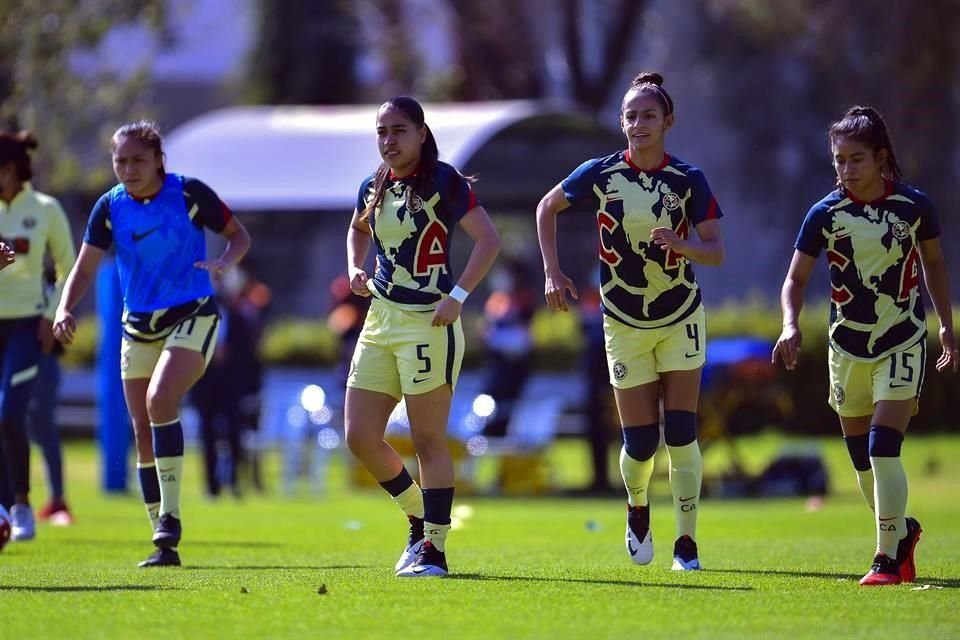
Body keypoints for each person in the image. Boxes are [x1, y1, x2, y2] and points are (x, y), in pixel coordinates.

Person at [536, 72, 725, 571]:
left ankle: (687, 543)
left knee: (681, 433)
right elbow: (546, 207)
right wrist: (553, 272)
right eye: (630, 116)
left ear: (668, 121)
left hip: (681, 314)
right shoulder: (600, 174)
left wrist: (683, 245)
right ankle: (637, 507)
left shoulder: (688, 179)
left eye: (648, 116)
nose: (638, 124)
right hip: (622, 321)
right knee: (640, 442)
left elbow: (716, 251)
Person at [53, 120, 251, 567]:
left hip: (193, 316)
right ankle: (163, 540)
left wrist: (223, 261)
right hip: (137, 326)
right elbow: (84, 269)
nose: (128, 168)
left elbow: (240, 236)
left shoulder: (188, 193)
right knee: (141, 428)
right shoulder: (109, 207)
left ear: (159, 159)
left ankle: (170, 518)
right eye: (120, 160)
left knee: (161, 400)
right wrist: (65, 309)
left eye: (138, 159)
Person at [772, 106, 956, 586]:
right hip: (846, 348)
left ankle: (885, 560)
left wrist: (945, 326)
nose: (846, 170)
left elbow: (934, 265)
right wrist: (791, 325)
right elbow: (794, 279)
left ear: (880, 158)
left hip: (901, 340)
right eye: (839, 160)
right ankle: (904, 532)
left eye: (856, 159)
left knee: (882, 447)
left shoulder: (915, 207)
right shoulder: (824, 214)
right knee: (861, 464)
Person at [345, 96, 500, 577]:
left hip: (429, 322)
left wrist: (458, 295)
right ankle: (418, 515)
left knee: (428, 441)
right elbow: (357, 230)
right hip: (380, 320)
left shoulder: (443, 180)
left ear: (421, 133)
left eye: (399, 130)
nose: (389, 140)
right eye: (382, 131)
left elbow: (489, 240)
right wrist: (354, 265)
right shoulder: (374, 184)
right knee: (360, 437)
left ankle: (434, 549)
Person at [0, 130, 77, 541]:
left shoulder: (45, 209)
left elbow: (70, 266)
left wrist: (52, 313)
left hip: (27, 327)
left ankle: (22, 503)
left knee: (11, 413)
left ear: (10, 169)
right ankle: (2, 513)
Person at [27, 266, 73, 524]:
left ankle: (58, 499)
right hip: (21, 359)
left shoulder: (52, 284)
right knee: (21, 426)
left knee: (44, 428)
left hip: (44, 362)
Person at [477, 256, 536, 438]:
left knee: (508, 405)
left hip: (516, 363)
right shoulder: (496, 298)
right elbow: (487, 327)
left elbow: (523, 324)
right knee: (491, 399)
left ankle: (504, 438)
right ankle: (488, 435)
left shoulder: (524, 298)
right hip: (496, 360)